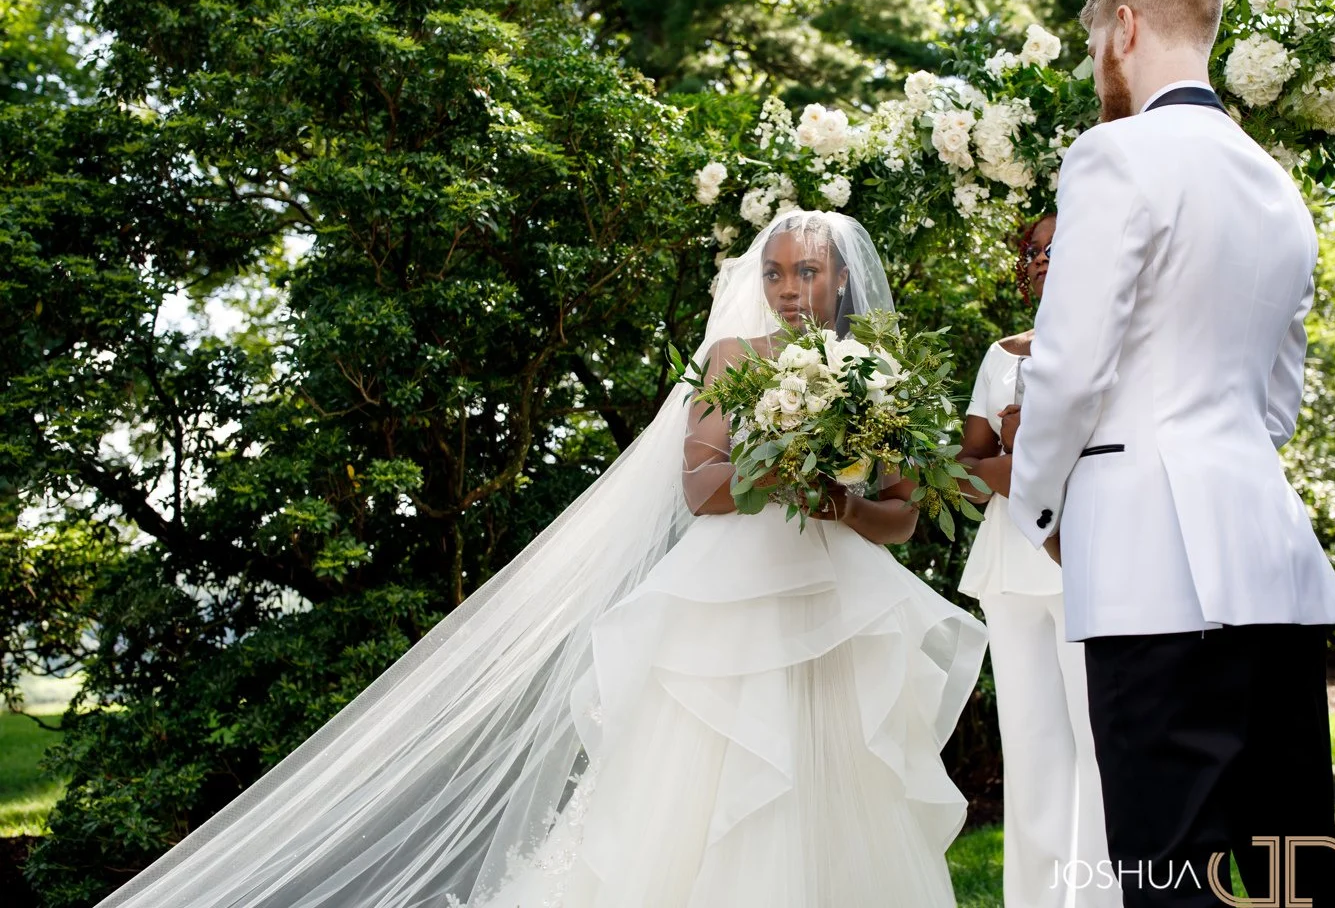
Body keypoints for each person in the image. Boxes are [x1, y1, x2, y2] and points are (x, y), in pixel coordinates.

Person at [92, 209, 987, 908]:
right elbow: (700, 489)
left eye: (809, 272)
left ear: (841, 281)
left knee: (833, 778)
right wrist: (782, 475)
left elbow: (902, 517)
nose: (791, 288)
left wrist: (840, 499)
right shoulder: (733, 358)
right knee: (714, 782)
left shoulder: (879, 372)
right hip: (736, 601)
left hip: (838, 602)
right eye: (776, 272)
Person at [1006, 0, 1335, 908]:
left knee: (1171, 872)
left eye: (1093, 51)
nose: (1095, 76)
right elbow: (1276, 395)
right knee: (1293, 871)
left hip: (1150, 574)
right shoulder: (1276, 187)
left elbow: (1070, 368)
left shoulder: (1115, 154)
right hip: (1274, 563)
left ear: (1124, 30)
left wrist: (1036, 509)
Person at [957, 212, 1117, 908]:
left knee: (1101, 747)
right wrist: (1023, 465)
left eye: (1060, 245)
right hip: (1009, 564)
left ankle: (1110, 898)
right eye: (1035, 248)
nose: (1045, 257)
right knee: (1030, 753)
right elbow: (964, 466)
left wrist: (1019, 460)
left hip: (1093, 559)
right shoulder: (1002, 355)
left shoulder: (1114, 342)